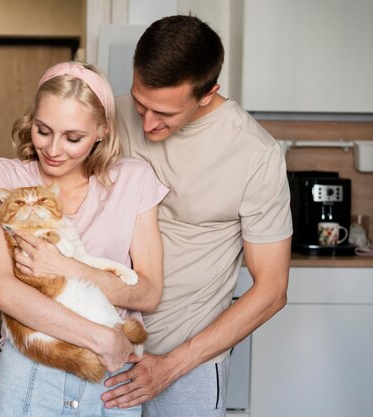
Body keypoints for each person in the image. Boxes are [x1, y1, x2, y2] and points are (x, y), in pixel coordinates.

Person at [100, 15, 293, 417]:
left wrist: (171, 367)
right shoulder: (109, 118)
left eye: (164, 113)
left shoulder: (255, 154)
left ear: (207, 95)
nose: (147, 122)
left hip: (189, 362)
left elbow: (272, 289)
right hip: (101, 348)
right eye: (140, 102)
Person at [0, 61, 169, 416]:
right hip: (33, 367)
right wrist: (101, 337)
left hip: (110, 385)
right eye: (43, 131)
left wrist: (65, 266)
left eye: (73, 138)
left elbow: (148, 293)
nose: (54, 149)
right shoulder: (0, 178)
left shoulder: (134, 181)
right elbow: (1, 289)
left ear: (102, 131)